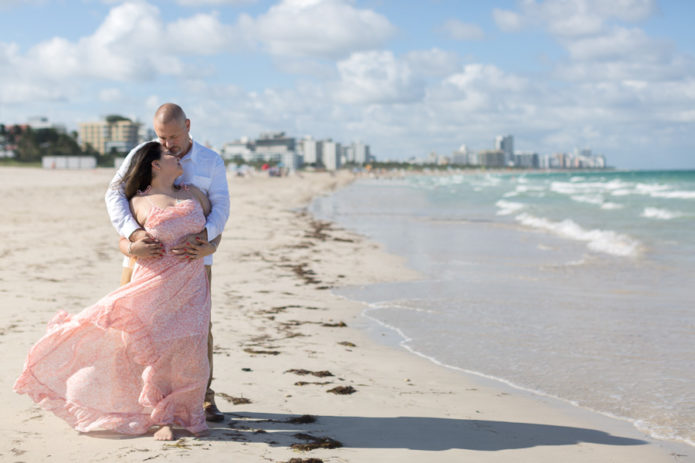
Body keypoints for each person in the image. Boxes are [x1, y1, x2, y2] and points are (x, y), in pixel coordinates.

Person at [15, 141, 217, 440]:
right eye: (171, 156)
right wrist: (133, 246)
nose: (179, 158)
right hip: (154, 285)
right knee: (159, 352)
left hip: (192, 285)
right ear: (155, 165)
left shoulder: (195, 195)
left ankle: (188, 414)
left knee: (192, 351)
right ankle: (160, 418)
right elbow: (123, 242)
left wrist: (209, 247)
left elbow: (216, 230)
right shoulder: (138, 202)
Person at [105, 103, 230, 422]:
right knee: (132, 324)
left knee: (198, 329)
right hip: (144, 258)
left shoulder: (210, 161)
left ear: (188, 125)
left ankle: (202, 396)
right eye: (161, 136)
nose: (167, 144)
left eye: (173, 136)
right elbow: (115, 193)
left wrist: (206, 236)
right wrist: (132, 235)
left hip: (194, 260)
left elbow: (220, 206)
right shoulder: (144, 152)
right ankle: (134, 394)